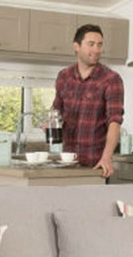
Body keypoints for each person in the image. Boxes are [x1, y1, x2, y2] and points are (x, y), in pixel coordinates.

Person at [52, 23, 125, 178]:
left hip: (95, 165)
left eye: (99, 45)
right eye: (91, 44)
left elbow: (115, 121)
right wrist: (48, 124)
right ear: (76, 46)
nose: (96, 50)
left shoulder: (111, 79)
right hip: (68, 164)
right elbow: (56, 112)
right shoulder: (64, 76)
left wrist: (107, 157)